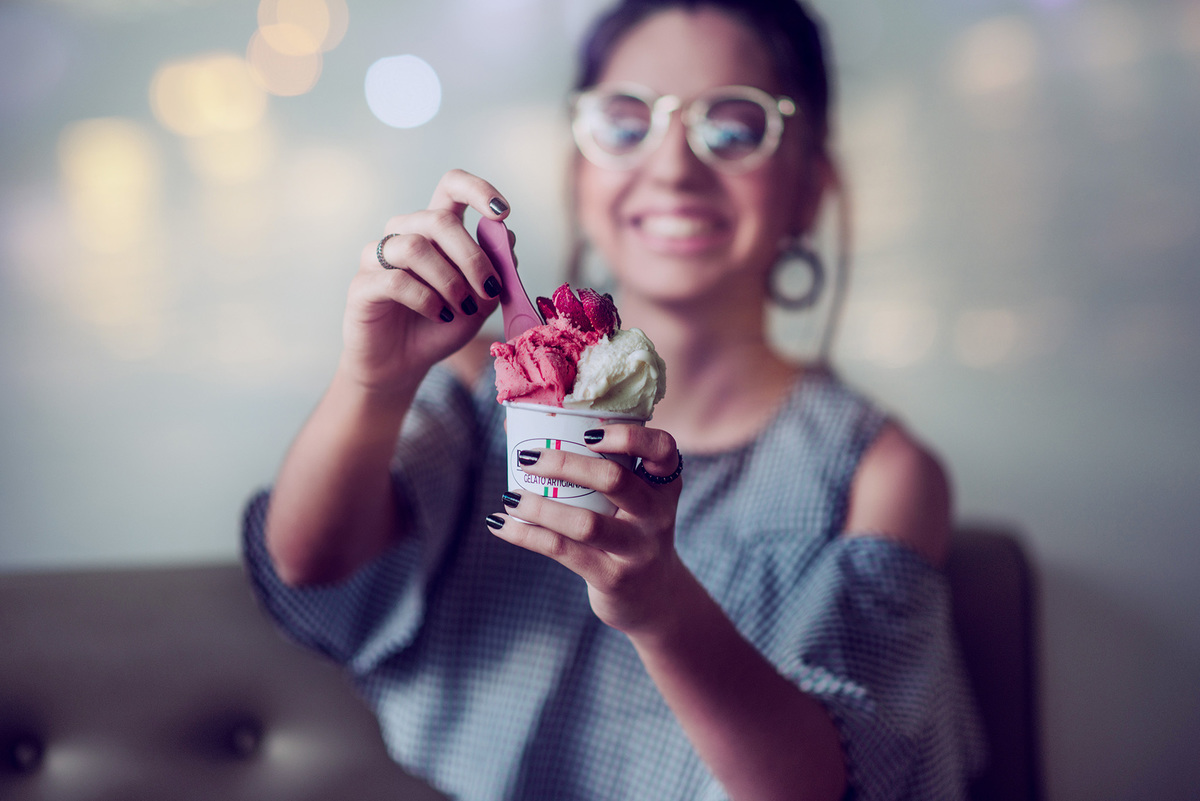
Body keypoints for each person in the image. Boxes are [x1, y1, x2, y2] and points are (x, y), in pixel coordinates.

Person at [242, 0, 986, 799]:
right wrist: (373, 381)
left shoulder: (879, 474)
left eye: (733, 129)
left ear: (810, 189)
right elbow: (309, 562)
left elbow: (839, 782)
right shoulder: (475, 382)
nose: (672, 168)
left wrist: (662, 604)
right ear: (580, 168)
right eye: (626, 123)